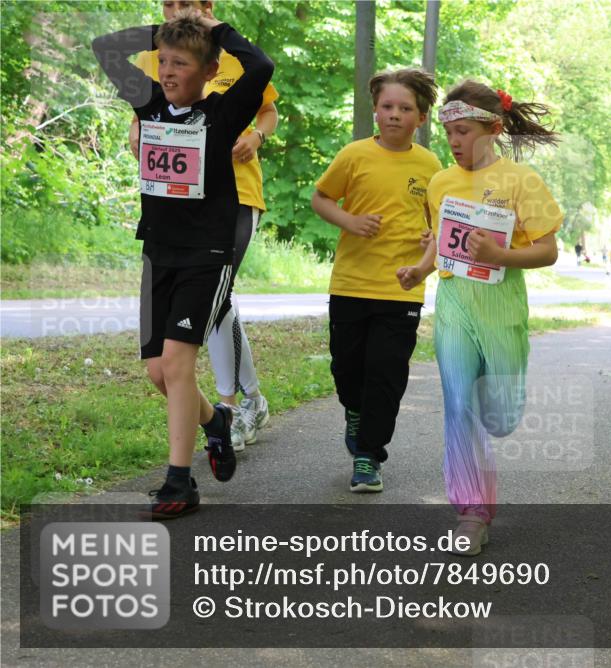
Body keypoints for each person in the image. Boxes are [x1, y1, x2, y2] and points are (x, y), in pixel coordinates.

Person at [93, 10, 274, 518]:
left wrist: (213, 31)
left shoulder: (222, 112)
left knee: (177, 365)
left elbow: (260, 65)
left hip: (207, 255)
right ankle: (216, 422)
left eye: (181, 64)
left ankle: (179, 481)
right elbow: (106, 46)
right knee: (159, 372)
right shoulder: (149, 104)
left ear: (210, 71)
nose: (168, 72)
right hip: (159, 253)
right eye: (163, 62)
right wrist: (166, 34)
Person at [130, 0, 277, 452]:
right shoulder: (161, 56)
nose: (176, 10)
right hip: (168, 221)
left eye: (186, 3)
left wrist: (256, 135)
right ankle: (230, 411)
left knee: (218, 300)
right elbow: (139, 102)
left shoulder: (230, 57)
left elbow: (265, 101)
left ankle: (232, 404)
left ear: (208, 7)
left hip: (232, 200)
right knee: (185, 341)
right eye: (168, 3)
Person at [427, 81, 562, 556]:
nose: (455, 141)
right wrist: (419, 268)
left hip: (502, 304)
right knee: (459, 402)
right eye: (449, 134)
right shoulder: (441, 182)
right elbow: (439, 241)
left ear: (494, 129)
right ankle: (471, 511)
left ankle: (491, 427)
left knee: (498, 417)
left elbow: (548, 251)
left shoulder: (521, 181)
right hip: (455, 302)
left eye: (463, 131)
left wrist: (500, 254)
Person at [311, 68, 441, 493]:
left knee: (386, 374)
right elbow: (321, 198)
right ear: (375, 110)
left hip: (400, 287)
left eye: (405, 108)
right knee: (347, 368)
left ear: (420, 117)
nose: (394, 115)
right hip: (350, 282)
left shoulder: (429, 166)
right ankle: (354, 411)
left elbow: (438, 228)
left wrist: (426, 251)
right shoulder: (354, 155)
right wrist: (349, 220)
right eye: (387, 106)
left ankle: (369, 456)